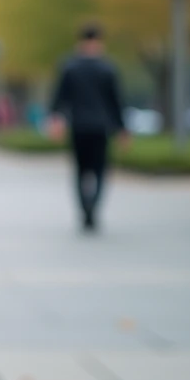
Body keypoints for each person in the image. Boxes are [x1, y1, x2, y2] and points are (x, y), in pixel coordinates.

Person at [47, 23, 128, 232]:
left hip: (78, 126)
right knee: (100, 171)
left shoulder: (70, 66)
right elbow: (116, 101)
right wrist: (121, 128)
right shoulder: (107, 67)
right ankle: (93, 207)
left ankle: (85, 209)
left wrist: (55, 119)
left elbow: (60, 97)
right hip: (101, 127)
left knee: (80, 171)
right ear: (99, 42)